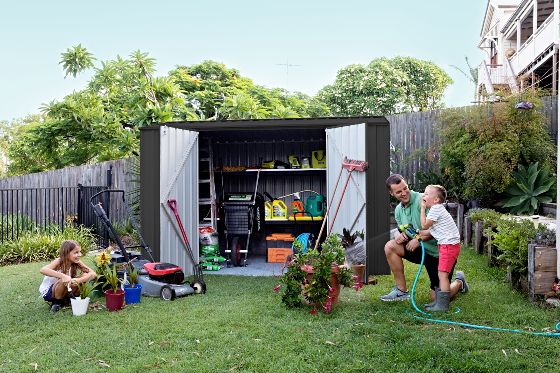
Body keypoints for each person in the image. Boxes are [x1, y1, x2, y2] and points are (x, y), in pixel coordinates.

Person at [380, 174, 468, 303]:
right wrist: (398, 235)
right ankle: (401, 291)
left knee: (437, 298)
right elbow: (403, 229)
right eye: (399, 191)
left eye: (405, 188)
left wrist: (419, 239)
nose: (404, 193)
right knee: (390, 246)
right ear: (391, 193)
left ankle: (460, 282)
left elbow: (440, 228)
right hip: (420, 251)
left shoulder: (425, 200)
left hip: (439, 253)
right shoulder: (399, 210)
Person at [419, 184, 462, 312]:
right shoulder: (438, 210)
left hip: (448, 246)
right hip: (448, 245)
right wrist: (418, 234)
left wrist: (422, 209)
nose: (423, 196)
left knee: (442, 275)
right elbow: (430, 231)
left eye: (426, 194)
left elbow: (425, 225)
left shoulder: (436, 208)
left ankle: (442, 306)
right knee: (441, 274)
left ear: (436, 199)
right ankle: (439, 302)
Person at [39, 240, 97, 313]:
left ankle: (74, 300)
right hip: (49, 293)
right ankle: (56, 303)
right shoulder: (59, 261)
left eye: (79, 252)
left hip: (66, 289)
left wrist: (79, 280)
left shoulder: (77, 262)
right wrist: (63, 276)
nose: (79, 254)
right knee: (63, 280)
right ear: (66, 253)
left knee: (85, 275)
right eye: (76, 252)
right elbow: (43, 270)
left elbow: (93, 274)